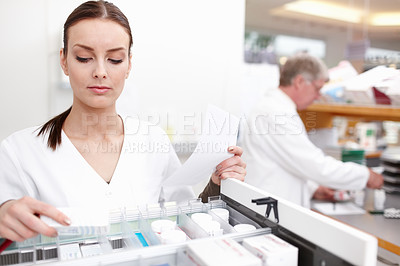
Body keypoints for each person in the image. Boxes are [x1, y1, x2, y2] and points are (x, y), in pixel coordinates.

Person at [0, 0, 246, 242]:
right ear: (64, 60)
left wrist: (216, 184)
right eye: (84, 58)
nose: (100, 71)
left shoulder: (153, 140)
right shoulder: (19, 152)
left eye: (115, 59)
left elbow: (184, 218)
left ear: (128, 64)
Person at [238, 53, 383, 208]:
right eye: (317, 88)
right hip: (269, 208)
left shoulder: (274, 108)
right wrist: (365, 175)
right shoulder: (275, 113)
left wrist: (313, 189)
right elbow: (316, 166)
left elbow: (285, 162)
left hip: (271, 204)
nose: (318, 96)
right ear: (299, 81)